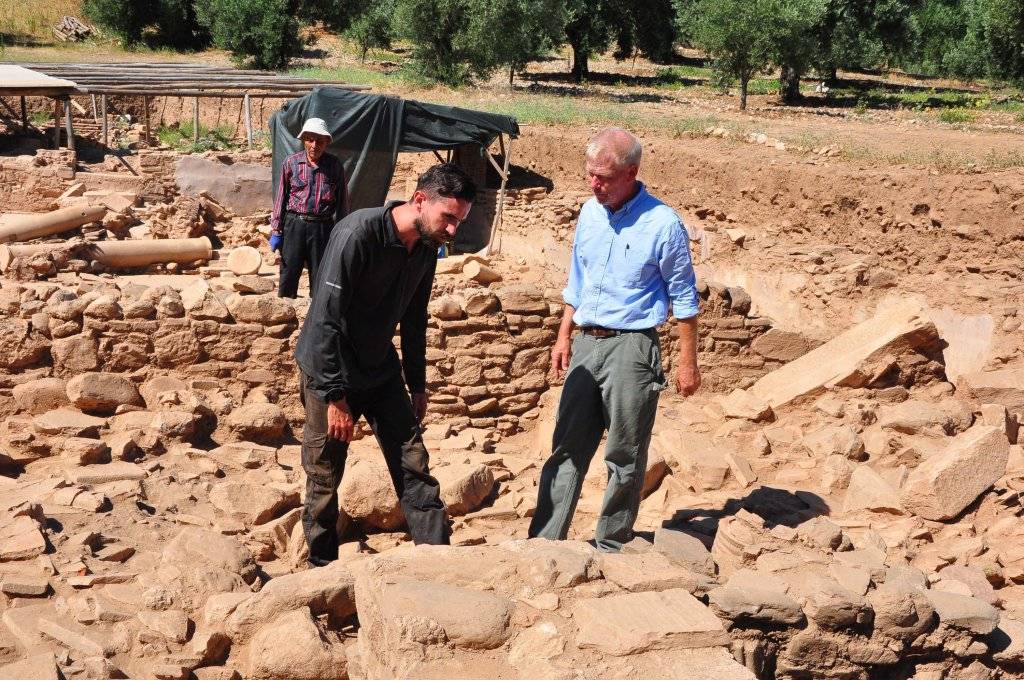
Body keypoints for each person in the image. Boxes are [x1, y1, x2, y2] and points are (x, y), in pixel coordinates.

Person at [527, 128, 701, 552]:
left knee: (625, 452)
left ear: (632, 173)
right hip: (587, 342)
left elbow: (684, 297)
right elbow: (578, 280)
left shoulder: (663, 225)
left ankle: (612, 542)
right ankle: (545, 543)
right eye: (590, 174)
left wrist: (688, 363)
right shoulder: (589, 213)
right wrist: (564, 334)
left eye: (604, 178)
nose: (594, 184)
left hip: (632, 347)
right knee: (566, 446)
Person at [293, 163, 476, 565]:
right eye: (448, 217)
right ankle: (322, 570)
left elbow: (414, 318)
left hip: (379, 368)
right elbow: (325, 320)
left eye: (459, 221)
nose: (452, 230)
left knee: (414, 463)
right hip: (331, 368)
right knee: (325, 473)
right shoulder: (357, 234)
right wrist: (335, 397)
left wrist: (418, 385)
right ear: (420, 200)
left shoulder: (427, 245)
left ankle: (438, 564)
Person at [270, 117, 350, 299]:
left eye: (320, 141)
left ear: (327, 142)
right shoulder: (291, 163)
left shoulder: (334, 166)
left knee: (320, 274)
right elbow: (281, 197)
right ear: (304, 140)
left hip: (322, 228)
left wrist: (343, 233)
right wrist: (276, 230)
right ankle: (285, 309)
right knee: (289, 272)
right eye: (310, 140)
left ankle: (316, 313)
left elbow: (343, 203)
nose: (314, 145)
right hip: (294, 225)